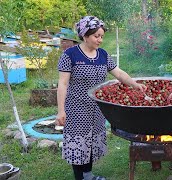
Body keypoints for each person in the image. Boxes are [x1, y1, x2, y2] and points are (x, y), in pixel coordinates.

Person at [55, 16, 147, 180]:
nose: (100, 40)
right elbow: (62, 84)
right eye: (96, 36)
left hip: (97, 108)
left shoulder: (103, 55)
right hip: (76, 108)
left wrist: (135, 84)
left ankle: (88, 175)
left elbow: (118, 73)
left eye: (102, 36)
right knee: (79, 145)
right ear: (85, 35)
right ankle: (80, 178)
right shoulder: (70, 55)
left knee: (90, 143)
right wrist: (61, 111)